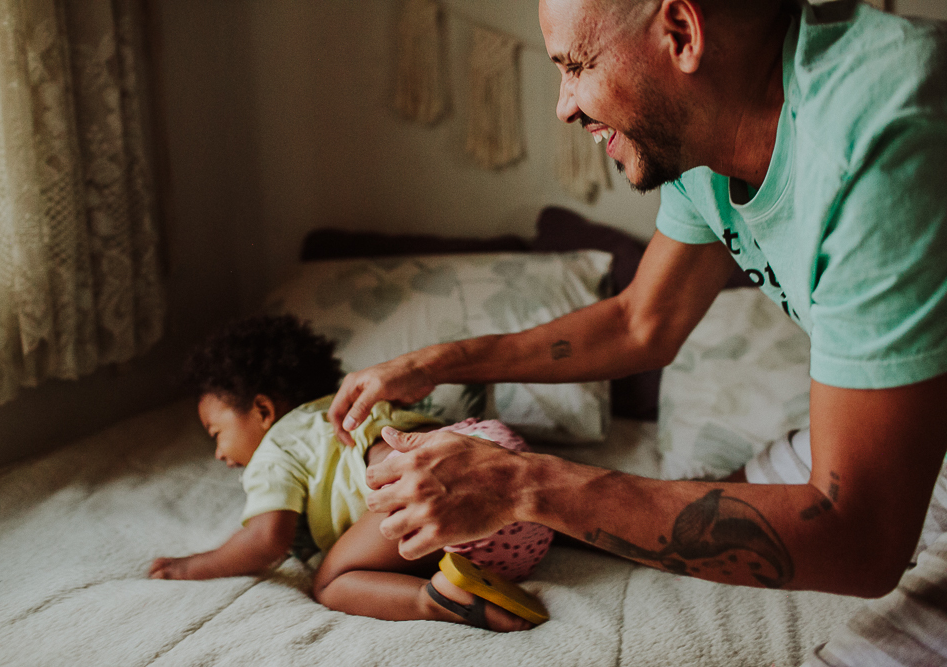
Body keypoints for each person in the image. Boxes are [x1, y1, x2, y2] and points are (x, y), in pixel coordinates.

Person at [327, 0, 947, 599]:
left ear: (681, 32)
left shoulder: (883, 135)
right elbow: (641, 322)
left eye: (575, 66)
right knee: (708, 520)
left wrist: (524, 484)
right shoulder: (707, 132)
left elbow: (860, 539)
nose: (565, 106)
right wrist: (439, 364)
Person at [147, 315, 552, 632]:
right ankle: (569, 529)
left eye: (216, 433)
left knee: (330, 583)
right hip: (498, 464)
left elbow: (267, 539)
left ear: (263, 411)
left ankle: (441, 601)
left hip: (426, 491)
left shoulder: (278, 445)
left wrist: (191, 566)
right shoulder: (351, 403)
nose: (218, 454)